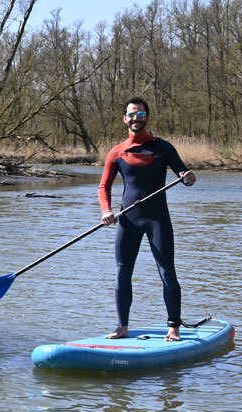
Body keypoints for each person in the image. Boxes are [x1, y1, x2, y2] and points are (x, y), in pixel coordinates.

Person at [99, 97, 196, 341]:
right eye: (131, 115)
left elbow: (183, 175)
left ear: (147, 118)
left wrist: (189, 178)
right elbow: (104, 186)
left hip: (157, 220)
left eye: (140, 115)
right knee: (123, 272)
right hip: (128, 220)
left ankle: (173, 328)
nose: (135, 119)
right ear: (125, 119)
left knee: (167, 271)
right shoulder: (117, 152)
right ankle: (122, 327)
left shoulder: (163, 148)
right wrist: (106, 210)